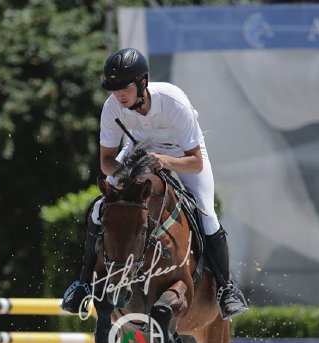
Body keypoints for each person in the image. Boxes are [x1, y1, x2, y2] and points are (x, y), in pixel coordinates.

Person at [62, 47, 248, 320]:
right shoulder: (112, 108)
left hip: (182, 156)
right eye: (114, 90)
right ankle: (83, 284)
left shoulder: (172, 101)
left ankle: (226, 288)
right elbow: (106, 162)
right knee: (99, 208)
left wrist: (163, 161)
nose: (119, 95)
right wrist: (130, 174)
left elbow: (195, 162)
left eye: (125, 88)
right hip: (138, 153)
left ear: (143, 83)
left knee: (207, 215)